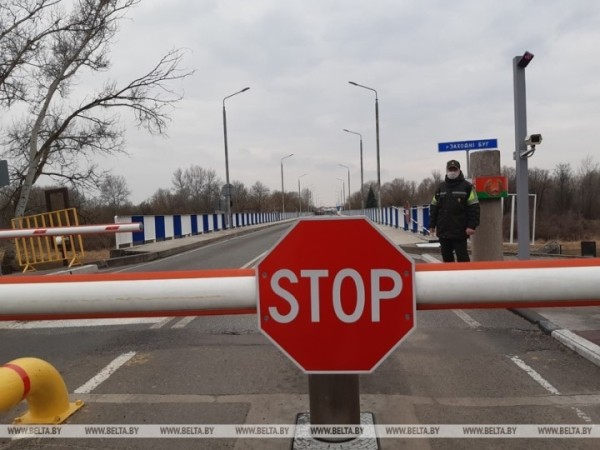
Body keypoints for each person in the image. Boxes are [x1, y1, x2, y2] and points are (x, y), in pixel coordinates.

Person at [429, 160, 480, 262]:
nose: (452, 171)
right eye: (450, 169)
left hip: (460, 230)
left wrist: (472, 226)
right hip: (443, 230)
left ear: (459, 170)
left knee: (462, 257)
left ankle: (465, 273)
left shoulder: (467, 187)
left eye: (454, 169)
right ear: (447, 171)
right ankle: (449, 273)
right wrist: (432, 225)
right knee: (446, 257)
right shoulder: (440, 187)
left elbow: (474, 207)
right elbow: (434, 207)